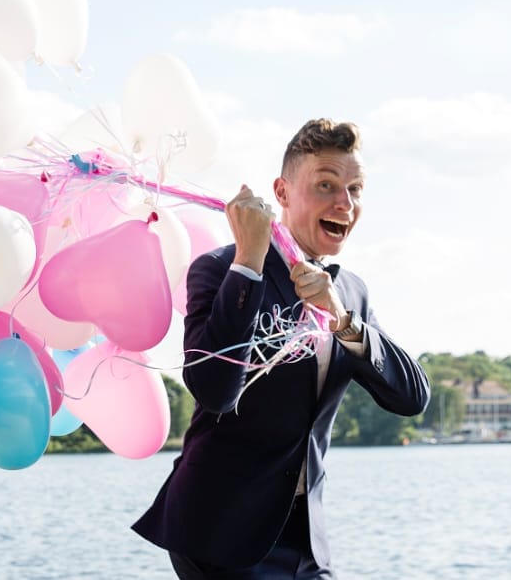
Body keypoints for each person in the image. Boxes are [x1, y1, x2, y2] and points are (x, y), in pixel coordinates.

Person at [132, 118, 430, 579]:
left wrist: (341, 319)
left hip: (306, 539)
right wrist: (248, 263)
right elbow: (215, 390)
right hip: (220, 531)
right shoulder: (217, 269)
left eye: (355, 189)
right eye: (326, 185)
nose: (344, 203)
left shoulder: (350, 292)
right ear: (283, 192)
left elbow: (412, 398)